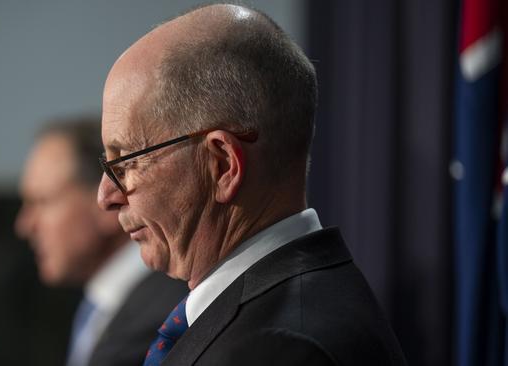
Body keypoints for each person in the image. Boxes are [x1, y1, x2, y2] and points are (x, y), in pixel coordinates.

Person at [96, 4, 408, 366]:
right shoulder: (280, 311)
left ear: (222, 165)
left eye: (127, 161)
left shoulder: (282, 349)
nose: (107, 196)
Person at [15, 117, 188, 366]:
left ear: (105, 199)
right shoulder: (100, 308)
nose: (24, 226)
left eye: (42, 201)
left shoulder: (168, 315)